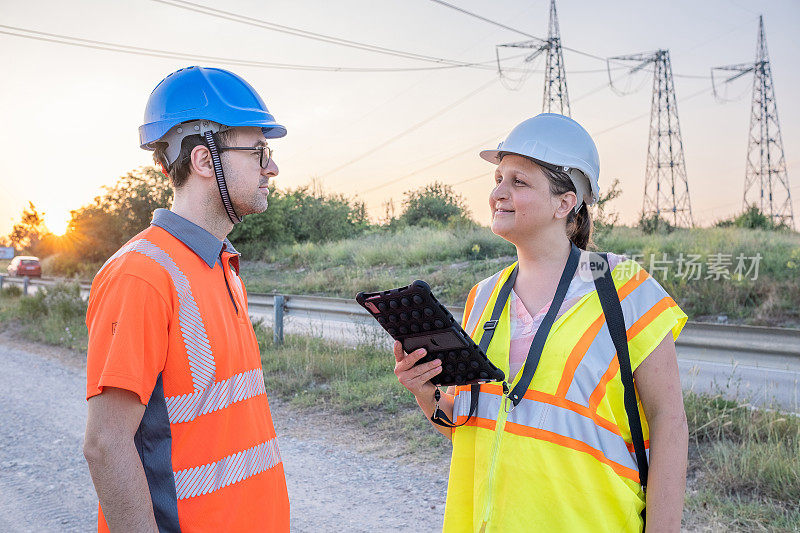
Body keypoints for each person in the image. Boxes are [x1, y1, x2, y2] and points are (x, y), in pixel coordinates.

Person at [394, 113, 688, 532]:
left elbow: (670, 422)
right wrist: (425, 393)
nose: (498, 192)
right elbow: (474, 428)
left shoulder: (622, 286)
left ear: (565, 201)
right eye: (498, 178)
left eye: (519, 181)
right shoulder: (484, 297)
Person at [82, 66, 290, 532]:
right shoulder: (142, 275)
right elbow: (106, 445)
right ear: (202, 160)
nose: (271, 167)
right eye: (258, 151)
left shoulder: (220, 265)